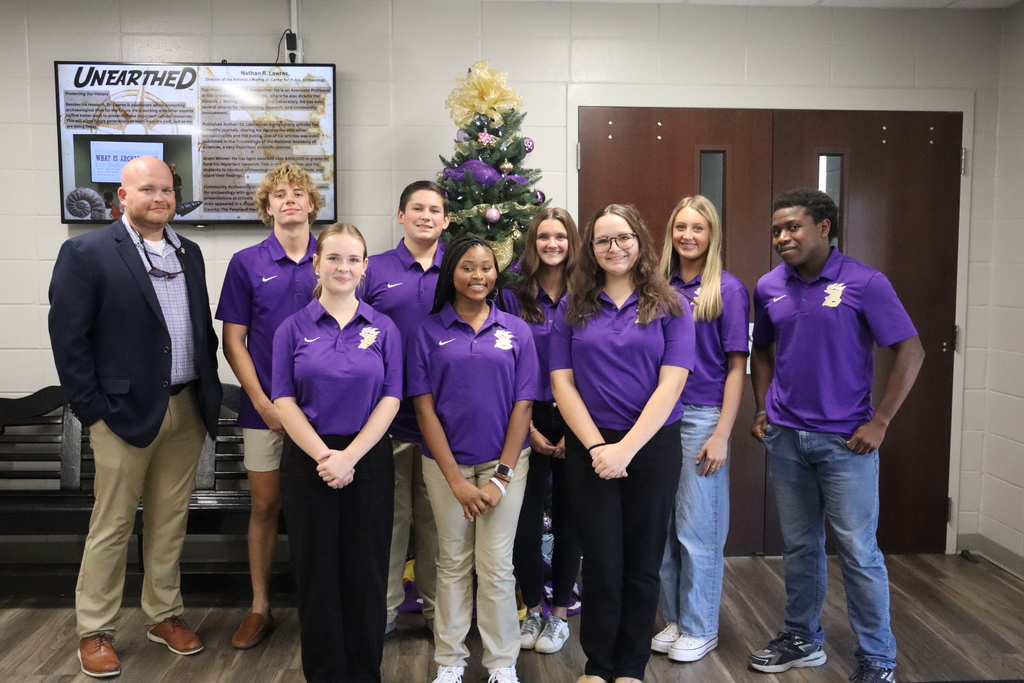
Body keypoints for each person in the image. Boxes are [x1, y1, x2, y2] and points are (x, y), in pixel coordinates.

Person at [48, 156, 222, 678]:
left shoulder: (187, 252)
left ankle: (163, 615)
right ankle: (95, 629)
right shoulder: (87, 252)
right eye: (147, 190)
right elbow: (69, 340)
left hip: (186, 408)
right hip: (121, 414)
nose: (159, 199)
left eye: (167, 191)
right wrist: (92, 410)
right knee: (113, 523)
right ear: (122, 196)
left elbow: (196, 328)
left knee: (170, 522)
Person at [748, 188, 924, 683]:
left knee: (858, 551)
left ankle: (877, 659)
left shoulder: (865, 282)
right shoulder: (769, 286)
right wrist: (762, 407)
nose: (782, 237)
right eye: (777, 229)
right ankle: (801, 638)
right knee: (801, 546)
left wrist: (881, 421)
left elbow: (911, 351)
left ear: (824, 227)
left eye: (793, 227)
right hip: (785, 439)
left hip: (846, 444)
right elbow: (761, 351)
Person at [550, 204, 695, 683]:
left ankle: (631, 666)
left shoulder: (672, 305)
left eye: (623, 237)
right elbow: (561, 383)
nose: (614, 248)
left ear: (640, 241)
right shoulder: (573, 306)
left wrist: (626, 449)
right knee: (602, 560)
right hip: (591, 448)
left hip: (651, 446)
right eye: (603, 240)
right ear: (590, 250)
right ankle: (599, 665)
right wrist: (596, 448)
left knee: (642, 560)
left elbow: (671, 385)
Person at [272, 223, 401, 682]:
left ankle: (365, 674)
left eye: (352, 260)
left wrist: (350, 457)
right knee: (317, 575)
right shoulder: (292, 328)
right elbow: (283, 400)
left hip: (367, 461)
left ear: (365, 268)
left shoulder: (384, 328)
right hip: (309, 461)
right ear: (317, 264)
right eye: (334, 258)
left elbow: (391, 397)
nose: (343, 267)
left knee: (366, 574)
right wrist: (327, 457)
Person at [408, 235, 540, 683]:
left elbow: (524, 406)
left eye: (486, 267)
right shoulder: (427, 332)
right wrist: (458, 483)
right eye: (467, 266)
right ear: (452, 273)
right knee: (452, 562)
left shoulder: (516, 331)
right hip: (448, 467)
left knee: (497, 565)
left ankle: (502, 663)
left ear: (496, 274)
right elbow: (424, 409)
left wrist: (500, 477)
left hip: (505, 465)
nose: (478, 275)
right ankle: (450, 660)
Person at [215, 162, 323, 649]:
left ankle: (320, 607)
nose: (289, 200)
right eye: (278, 194)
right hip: (266, 412)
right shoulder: (246, 263)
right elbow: (233, 340)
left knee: (318, 507)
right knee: (265, 505)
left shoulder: (335, 255)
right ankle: (260, 607)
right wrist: (263, 401)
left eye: (298, 192)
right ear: (267, 207)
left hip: (326, 411)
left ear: (312, 204)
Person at [652, 196, 749, 663]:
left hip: (701, 417)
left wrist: (722, 434)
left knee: (697, 530)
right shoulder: (657, 288)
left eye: (698, 228)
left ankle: (701, 626)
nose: (688, 236)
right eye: (680, 227)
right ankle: (675, 619)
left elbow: (737, 367)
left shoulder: (727, 289)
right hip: (658, 417)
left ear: (712, 236)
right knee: (665, 530)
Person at [362, 180, 447, 636]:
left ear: (446, 220)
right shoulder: (373, 270)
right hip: (385, 421)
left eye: (435, 209)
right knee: (389, 522)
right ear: (401, 215)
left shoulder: (460, 268)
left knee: (437, 525)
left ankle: (439, 615)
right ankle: (385, 612)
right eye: (417, 208)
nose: (426, 216)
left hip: (442, 422)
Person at [497, 208, 583, 655]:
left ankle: (560, 614)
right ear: (533, 243)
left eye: (561, 236)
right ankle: (532, 609)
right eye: (544, 236)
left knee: (570, 521)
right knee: (524, 525)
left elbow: (592, 361)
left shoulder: (586, 293)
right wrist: (525, 426)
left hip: (576, 420)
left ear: (572, 242)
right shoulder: (512, 295)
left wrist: (577, 427)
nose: (552, 244)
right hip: (524, 418)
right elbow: (505, 361)